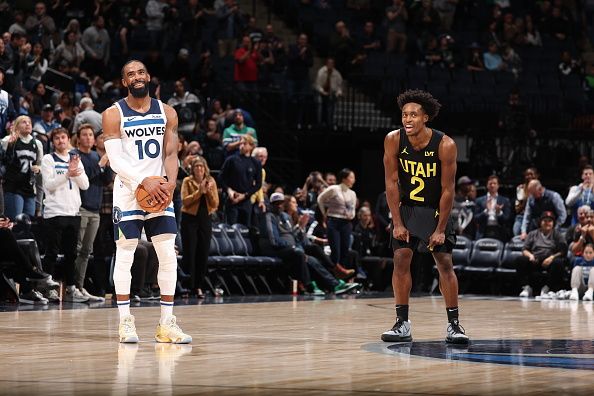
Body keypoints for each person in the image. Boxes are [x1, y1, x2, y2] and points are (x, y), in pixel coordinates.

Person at [102, 60, 191, 344]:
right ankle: (125, 321)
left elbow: (170, 154)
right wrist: (144, 181)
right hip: (129, 190)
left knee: (167, 254)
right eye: (130, 74)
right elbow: (115, 160)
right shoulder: (113, 114)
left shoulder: (167, 112)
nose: (137, 77)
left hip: (159, 192)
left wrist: (171, 183)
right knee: (126, 253)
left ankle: (167, 324)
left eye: (141, 72)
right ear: (124, 81)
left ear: (149, 77)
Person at [381, 89, 469, 344]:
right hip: (407, 208)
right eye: (404, 115)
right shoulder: (393, 139)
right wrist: (397, 221)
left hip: (434, 209)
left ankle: (454, 325)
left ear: (426, 118)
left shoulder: (445, 144)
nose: (407, 119)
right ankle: (402, 324)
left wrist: (441, 227)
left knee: (444, 263)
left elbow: (448, 190)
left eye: (413, 115)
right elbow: (391, 182)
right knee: (400, 259)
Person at [41, 128, 89, 303]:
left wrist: (75, 172)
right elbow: (49, 185)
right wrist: (68, 173)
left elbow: (85, 185)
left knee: (71, 254)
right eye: (57, 138)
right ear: (53, 142)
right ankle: (48, 289)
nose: (60, 141)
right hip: (54, 212)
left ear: (68, 139)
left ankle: (71, 289)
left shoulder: (75, 159)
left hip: (73, 212)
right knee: (51, 253)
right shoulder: (48, 159)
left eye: (63, 137)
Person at [72, 124, 110, 302]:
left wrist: (108, 164)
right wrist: (100, 164)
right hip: (81, 207)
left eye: (90, 135)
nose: (88, 138)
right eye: (84, 135)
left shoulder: (96, 155)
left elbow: (105, 180)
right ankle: (73, 287)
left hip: (96, 209)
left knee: (87, 251)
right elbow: (84, 178)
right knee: (78, 249)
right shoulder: (75, 155)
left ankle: (80, 287)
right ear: (78, 138)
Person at [180, 156, 219, 298]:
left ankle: (198, 287)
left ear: (205, 168)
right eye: (196, 166)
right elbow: (185, 200)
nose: (199, 169)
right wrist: (199, 192)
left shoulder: (211, 182)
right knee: (190, 252)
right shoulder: (187, 181)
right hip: (189, 219)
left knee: (203, 253)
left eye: (201, 166)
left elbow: (215, 204)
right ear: (192, 168)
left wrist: (207, 191)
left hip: (205, 219)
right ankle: (186, 286)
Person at [516, 211, 567, 298]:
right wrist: (530, 255)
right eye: (545, 221)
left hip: (549, 261)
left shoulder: (557, 235)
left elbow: (563, 251)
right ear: (540, 222)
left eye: (550, 221)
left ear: (553, 223)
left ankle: (547, 288)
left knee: (558, 263)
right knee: (520, 260)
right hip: (534, 259)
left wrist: (552, 257)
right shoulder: (533, 233)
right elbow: (524, 249)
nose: (547, 223)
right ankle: (526, 287)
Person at [0, 116, 43, 220]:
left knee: (28, 224)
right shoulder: (7, 140)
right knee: (15, 222)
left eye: (29, 122)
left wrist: (39, 168)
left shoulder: (37, 143)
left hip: (29, 188)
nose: (28, 124)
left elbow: (40, 165)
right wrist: (10, 145)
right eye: (24, 122)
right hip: (13, 187)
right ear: (16, 126)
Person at [317, 168, 358, 275]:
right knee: (336, 250)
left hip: (346, 223)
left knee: (345, 250)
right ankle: (331, 276)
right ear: (344, 178)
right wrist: (324, 213)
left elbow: (352, 208)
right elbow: (320, 199)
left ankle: (340, 275)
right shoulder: (334, 189)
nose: (353, 180)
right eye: (351, 177)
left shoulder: (352, 193)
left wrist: (351, 216)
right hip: (334, 221)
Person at [474, 175, 512, 241]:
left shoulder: (505, 200)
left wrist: (499, 213)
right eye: (490, 183)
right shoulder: (479, 200)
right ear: (487, 185)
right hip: (483, 231)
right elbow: (476, 219)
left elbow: (507, 219)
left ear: (498, 185)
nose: (492, 185)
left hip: (499, 231)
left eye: (494, 183)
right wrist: (486, 211)